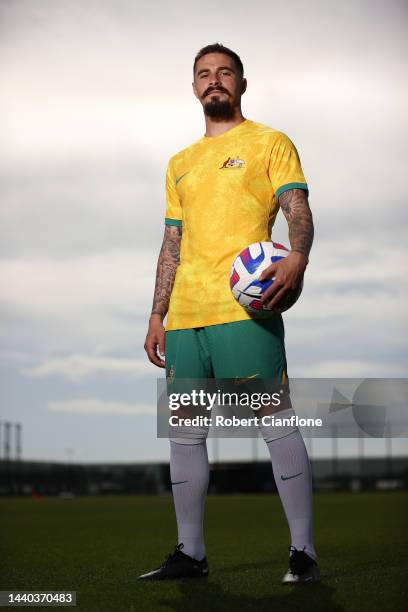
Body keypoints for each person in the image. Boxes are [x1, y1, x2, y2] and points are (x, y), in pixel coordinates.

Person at [140, 43, 319, 584]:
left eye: (224, 73)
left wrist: (299, 257)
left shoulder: (270, 142)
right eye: (204, 74)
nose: (213, 81)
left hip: (247, 311)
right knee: (186, 433)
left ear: (242, 83)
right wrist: (156, 314)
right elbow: (171, 243)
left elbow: (297, 208)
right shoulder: (180, 163)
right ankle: (190, 554)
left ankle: (303, 554)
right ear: (194, 87)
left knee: (274, 421)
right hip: (187, 319)